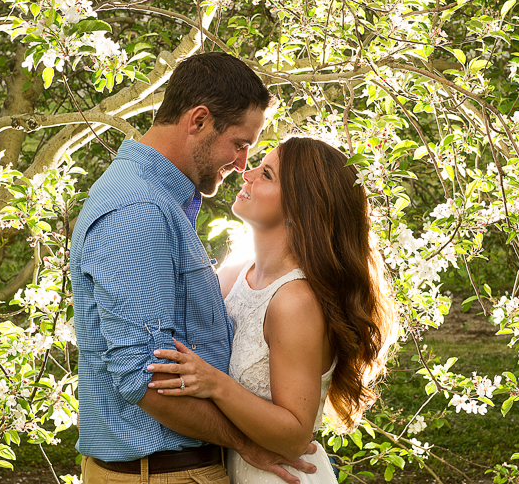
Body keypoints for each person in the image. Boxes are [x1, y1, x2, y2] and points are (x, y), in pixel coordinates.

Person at [70, 53, 317, 484]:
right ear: (199, 120)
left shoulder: (157, 201)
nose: (242, 165)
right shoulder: (140, 209)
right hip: (161, 475)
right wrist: (241, 441)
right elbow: (142, 379)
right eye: (240, 144)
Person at [146, 136, 397, 483]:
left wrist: (215, 383)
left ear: (299, 209)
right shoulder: (235, 273)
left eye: (266, 174)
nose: (245, 174)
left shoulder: (295, 301)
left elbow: (295, 435)